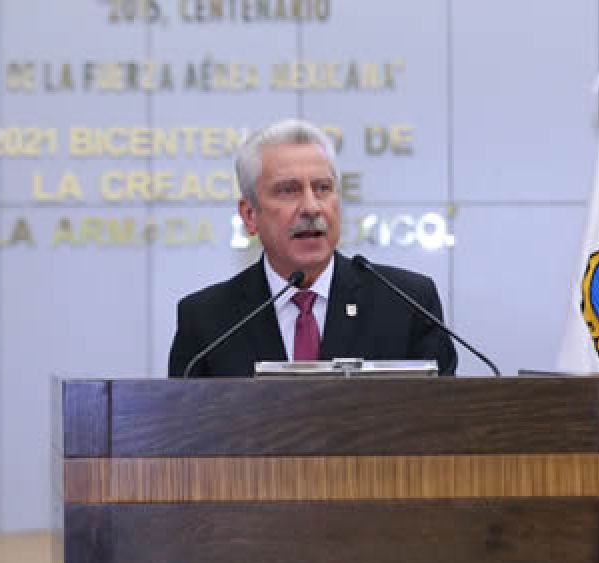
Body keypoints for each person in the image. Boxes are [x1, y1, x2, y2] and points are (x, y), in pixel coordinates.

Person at [168, 119, 457, 377]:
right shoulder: (207, 321)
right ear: (249, 215)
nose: (311, 207)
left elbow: (445, 424)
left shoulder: (408, 303)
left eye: (322, 188)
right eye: (288, 190)